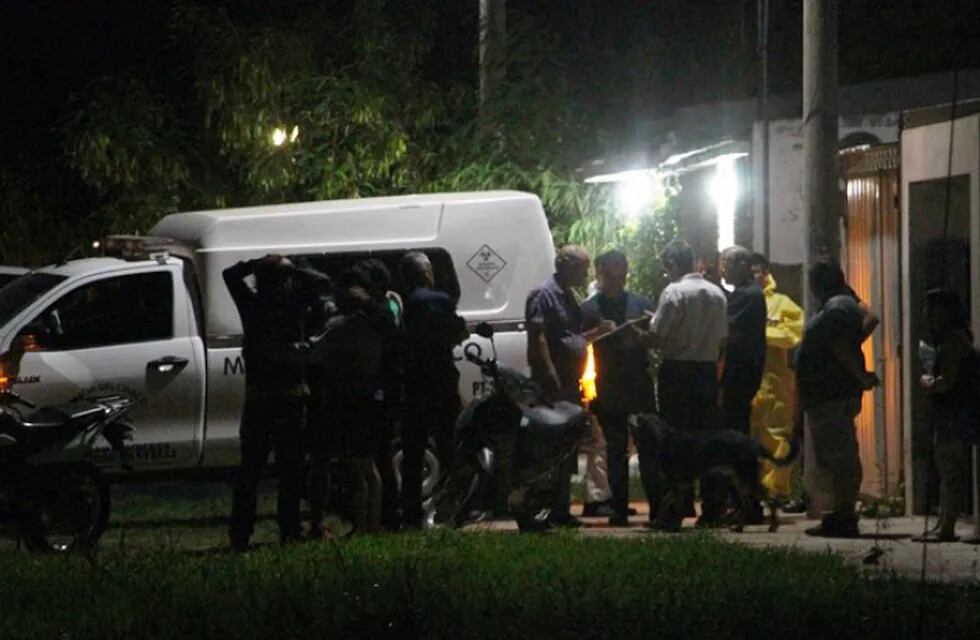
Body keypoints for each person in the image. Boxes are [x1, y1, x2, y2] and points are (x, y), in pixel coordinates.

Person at [223, 254, 330, 550]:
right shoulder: (295, 303)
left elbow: (229, 274)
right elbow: (323, 283)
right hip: (291, 399)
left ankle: (240, 534)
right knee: (290, 472)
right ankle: (290, 530)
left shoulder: (252, 305)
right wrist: (294, 267)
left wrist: (256, 262)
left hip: (258, 399)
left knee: (250, 472)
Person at [526, 245, 615, 527]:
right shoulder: (543, 295)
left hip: (570, 382)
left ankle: (562, 509)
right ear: (565, 264)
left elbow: (570, 337)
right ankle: (542, 508)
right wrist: (549, 373)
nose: (586, 273)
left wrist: (596, 333)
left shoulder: (568, 296)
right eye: (582, 266)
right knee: (549, 447)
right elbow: (538, 338)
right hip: (553, 383)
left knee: (567, 446)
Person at [647, 239, 728, 528]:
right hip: (706, 372)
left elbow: (658, 336)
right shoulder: (716, 293)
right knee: (706, 442)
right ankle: (713, 509)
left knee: (675, 442)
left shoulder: (674, 292)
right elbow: (721, 338)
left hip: (677, 373)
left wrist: (639, 334)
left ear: (671, 264)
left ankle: (674, 510)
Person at [796, 257, 879, 538]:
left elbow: (841, 347)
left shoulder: (836, 308)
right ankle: (841, 513)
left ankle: (845, 515)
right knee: (836, 454)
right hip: (828, 393)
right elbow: (869, 319)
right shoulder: (845, 304)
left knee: (840, 455)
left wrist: (860, 375)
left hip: (830, 393)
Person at [581, 249, 659, 526]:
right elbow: (576, 343)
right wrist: (596, 333)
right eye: (610, 274)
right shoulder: (589, 309)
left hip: (638, 383)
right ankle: (618, 507)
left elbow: (657, 340)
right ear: (599, 273)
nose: (617, 279)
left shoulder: (640, 304)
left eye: (621, 273)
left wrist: (639, 335)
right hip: (609, 385)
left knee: (649, 445)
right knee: (615, 449)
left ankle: (658, 507)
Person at [399, 251, 469, 529]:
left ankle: (411, 513)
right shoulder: (439, 301)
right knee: (448, 447)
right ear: (427, 273)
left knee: (412, 452)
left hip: (413, 384)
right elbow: (459, 332)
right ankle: (449, 508)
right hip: (440, 382)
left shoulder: (401, 303)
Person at [914, 289, 980, 543]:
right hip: (955, 412)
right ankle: (943, 524)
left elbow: (947, 382)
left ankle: (946, 527)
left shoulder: (952, 342)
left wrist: (927, 382)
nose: (927, 314)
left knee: (950, 473)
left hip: (953, 413)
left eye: (931, 309)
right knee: (949, 474)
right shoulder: (957, 338)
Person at [748, 253, 804, 502]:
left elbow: (795, 332)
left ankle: (775, 489)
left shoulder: (782, 303)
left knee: (778, 436)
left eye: (757, 271)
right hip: (747, 380)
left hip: (775, 381)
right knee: (749, 436)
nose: (753, 276)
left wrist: (761, 335)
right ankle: (752, 489)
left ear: (766, 272)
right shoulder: (741, 300)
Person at [718, 246, 768, 522]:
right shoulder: (747, 294)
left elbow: (725, 325)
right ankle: (743, 502)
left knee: (735, 440)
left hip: (739, 376)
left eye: (725, 264)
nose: (723, 270)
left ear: (740, 265)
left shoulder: (748, 295)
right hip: (742, 375)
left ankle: (746, 504)